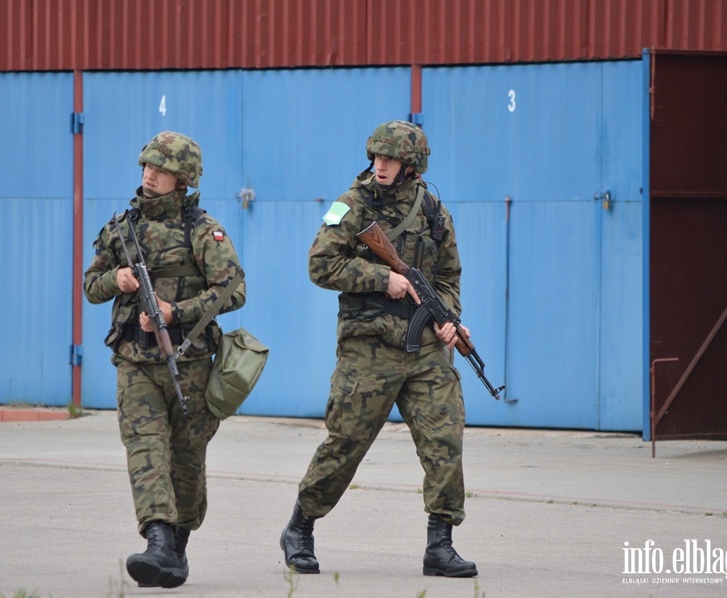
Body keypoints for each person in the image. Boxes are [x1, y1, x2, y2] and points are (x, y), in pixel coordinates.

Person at [280, 120, 478, 578]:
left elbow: (448, 277)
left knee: (444, 440)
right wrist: (381, 278)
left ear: (412, 166)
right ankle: (300, 527)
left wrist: (448, 320)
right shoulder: (351, 206)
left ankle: (440, 544)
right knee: (345, 444)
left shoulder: (433, 211)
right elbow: (320, 264)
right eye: (376, 156)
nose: (380, 165)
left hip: (426, 349)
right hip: (369, 348)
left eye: (390, 159)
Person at [84, 131, 245, 588]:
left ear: (183, 179)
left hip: (190, 363)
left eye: (160, 169)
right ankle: (156, 540)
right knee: (145, 450)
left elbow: (234, 290)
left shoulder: (201, 230)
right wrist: (115, 278)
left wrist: (178, 312)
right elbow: (90, 286)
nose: (149, 174)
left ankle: (175, 547)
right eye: (146, 166)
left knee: (187, 460)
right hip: (135, 360)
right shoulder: (120, 228)